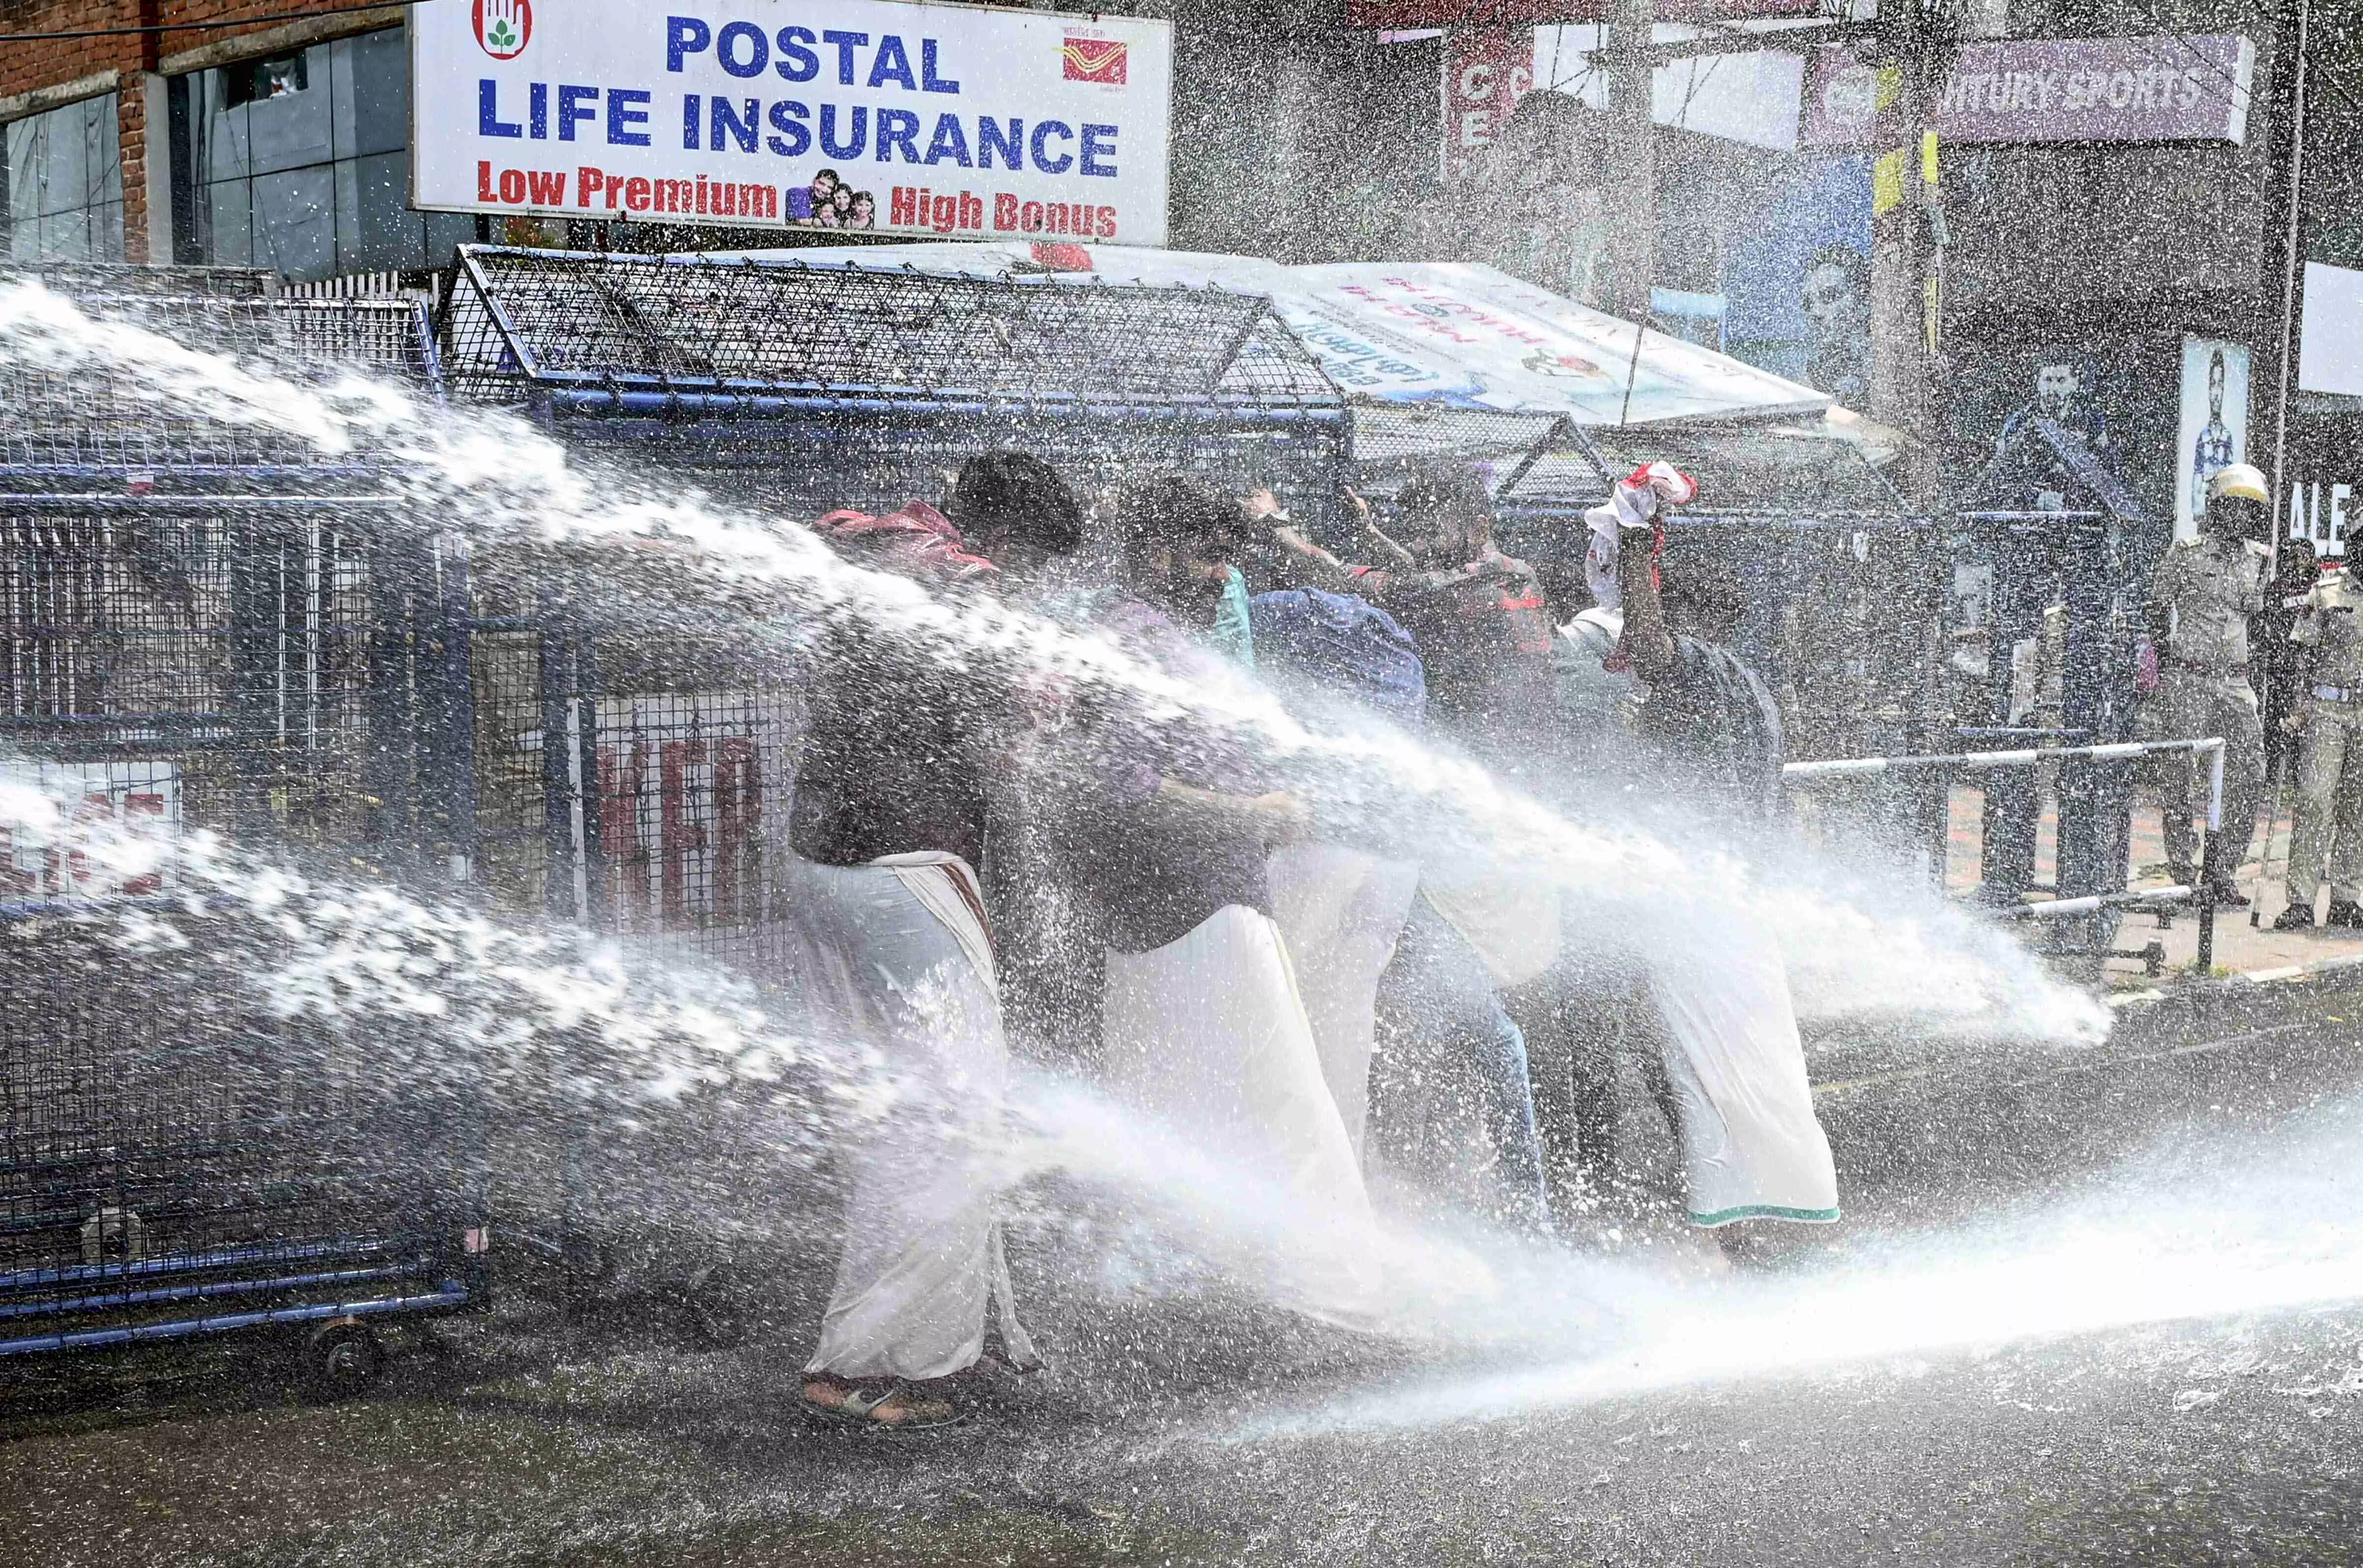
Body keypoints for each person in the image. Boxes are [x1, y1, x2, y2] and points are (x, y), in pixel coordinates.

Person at [787, 457, 1083, 1432]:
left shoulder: (864, 539)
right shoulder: (969, 583)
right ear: (1006, 533)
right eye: (1036, 560)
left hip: (819, 860)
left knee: (891, 1122)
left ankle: (845, 1361)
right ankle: (922, 1372)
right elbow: (1040, 703)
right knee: (960, 1121)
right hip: (910, 869)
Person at [1056, 472, 1384, 1321]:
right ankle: (1337, 1299)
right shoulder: (1135, 642)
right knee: (1287, 1105)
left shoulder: (1139, 635)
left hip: (1156, 915)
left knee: (1178, 1110)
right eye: (1208, 558)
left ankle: (1195, 1294)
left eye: (1230, 560)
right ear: (1154, 551)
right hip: (1203, 906)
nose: (1221, 578)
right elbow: (1121, 785)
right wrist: (1257, 813)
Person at [1559, 463, 1840, 1245]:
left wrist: (1642, 544)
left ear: (1688, 618)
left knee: (1690, 1069)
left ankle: (1723, 1233)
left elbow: (1650, 647)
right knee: (1737, 1075)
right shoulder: (1753, 689)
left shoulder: (1701, 674)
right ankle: (1768, 1231)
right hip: (1738, 918)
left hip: (1693, 920)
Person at [2136, 462, 2271, 906]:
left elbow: (2260, 620)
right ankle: (2183, 868)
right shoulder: (2187, 553)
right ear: (2216, 508)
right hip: (2188, 678)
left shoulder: (2261, 560)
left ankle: (2223, 870)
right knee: (2179, 774)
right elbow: (2156, 606)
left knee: (2249, 773)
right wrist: (2166, 657)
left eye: (2251, 511)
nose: (2242, 518)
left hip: (2235, 683)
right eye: (2234, 508)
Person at [2276, 550, 2363, 930]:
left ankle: (2346, 897)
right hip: (2327, 709)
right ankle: (2300, 900)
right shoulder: (2328, 592)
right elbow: (2303, 656)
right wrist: (2298, 709)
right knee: (2314, 800)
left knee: (2356, 806)